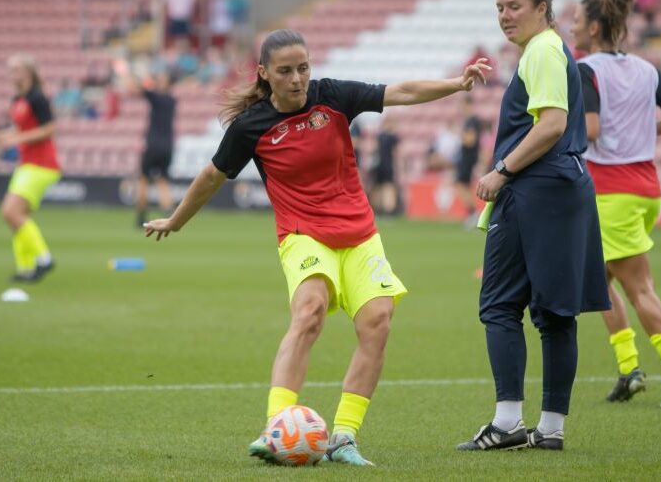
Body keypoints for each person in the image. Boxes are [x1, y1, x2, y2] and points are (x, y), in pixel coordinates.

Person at [143, 29, 489, 465]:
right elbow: (212, 176)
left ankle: (343, 438)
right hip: (303, 234)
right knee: (309, 311)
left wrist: (456, 84)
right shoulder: (251, 125)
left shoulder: (333, 97)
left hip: (360, 233)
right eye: (285, 71)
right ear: (265, 74)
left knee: (378, 321)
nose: (297, 79)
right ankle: (276, 430)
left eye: (303, 68)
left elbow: (399, 91)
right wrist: (176, 220)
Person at [456, 0, 610, 452]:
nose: (504, 15)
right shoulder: (553, 48)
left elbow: (552, 125)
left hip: (535, 188)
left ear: (543, 8)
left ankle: (506, 424)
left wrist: (501, 170)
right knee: (556, 313)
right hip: (568, 187)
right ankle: (550, 428)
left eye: (514, 6)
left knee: (500, 304)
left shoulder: (542, 50)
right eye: (498, 7)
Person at [571, 0, 661, 407]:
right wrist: (648, 134)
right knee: (598, 280)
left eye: (577, 19)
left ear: (594, 27)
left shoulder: (585, 69)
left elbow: (590, 130)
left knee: (639, 288)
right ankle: (628, 368)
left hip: (612, 191)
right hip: (645, 186)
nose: (572, 25)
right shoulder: (647, 69)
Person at [0, 54, 60, 282]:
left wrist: (19, 138)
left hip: (41, 164)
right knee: (17, 217)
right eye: (10, 69)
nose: (11, 74)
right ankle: (26, 268)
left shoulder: (37, 98)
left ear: (28, 72)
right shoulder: (18, 99)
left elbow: (50, 129)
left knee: (10, 212)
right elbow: (17, 129)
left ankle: (44, 259)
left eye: (16, 69)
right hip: (28, 164)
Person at [115, 60, 176, 227]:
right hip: (168, 145)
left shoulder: (156, 97)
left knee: (143, 179)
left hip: (153, 145)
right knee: (163, 180)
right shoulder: (172, 100)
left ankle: (141, 216)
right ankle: (169, 213)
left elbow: (139, 88)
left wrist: (127, 73)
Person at [454, 95, 486, 228]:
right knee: (463, 185)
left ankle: (473, 213)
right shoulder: (471, 121)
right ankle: (472, 213)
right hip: (467, 157)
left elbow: (471, 140)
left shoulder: (472, 121)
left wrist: (459, 134)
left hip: (468, 158)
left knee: (461, 185)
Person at [370, 118, 400, 215]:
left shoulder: (379, 136)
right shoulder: (393, 137)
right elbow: (397, 152)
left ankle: (376, 211)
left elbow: (374, 150)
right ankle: (388, 211)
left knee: (377, 187)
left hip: (378, 165)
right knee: (388, 187)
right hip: (388, 165)